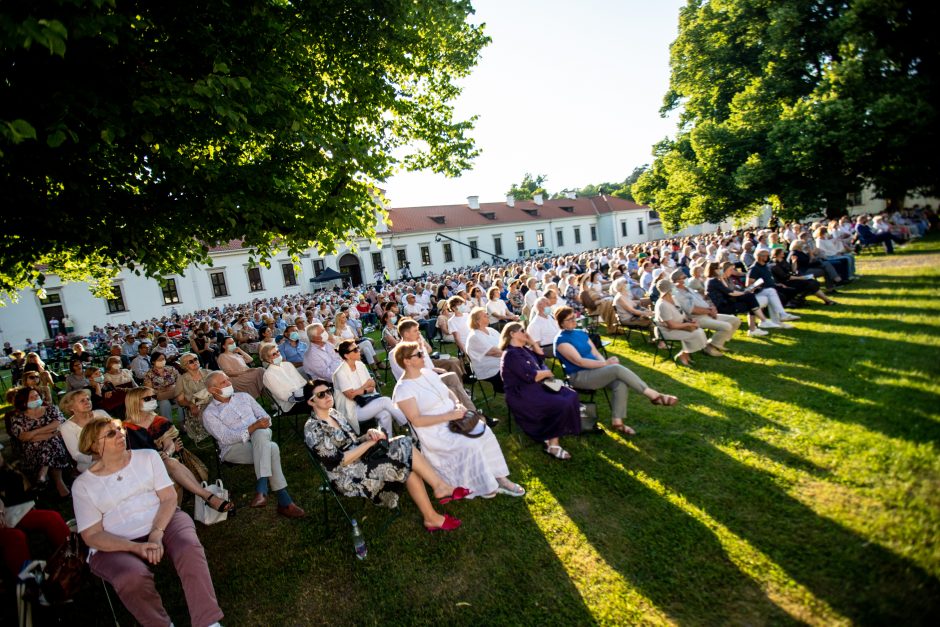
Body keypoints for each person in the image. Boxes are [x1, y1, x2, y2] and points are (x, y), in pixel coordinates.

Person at [72, 417, 225, 627]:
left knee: (188, 547)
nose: (120, 435)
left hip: (163, 519)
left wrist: (156, 532)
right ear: (94, 446)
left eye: (119, 430)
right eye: (111, 434)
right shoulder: (83, 485)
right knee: (130, 577)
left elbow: (169, 498)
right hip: (115, 542)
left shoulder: (147, 457)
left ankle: (207, 621)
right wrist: (135, 547)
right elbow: (92, 535)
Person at [304, 380, 463, 532]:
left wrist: (367, 436)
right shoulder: (313, 429)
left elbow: (352, 442)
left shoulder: (334, 413)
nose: (327, 396)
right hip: (346, 476)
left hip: (361, 459)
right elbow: (338, 461)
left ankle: (433, 511)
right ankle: (437, 495)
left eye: (328, 392)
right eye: (321, 395)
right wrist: (368, 444)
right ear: (311, 402)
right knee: (406, 458)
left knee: (404, 448)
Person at [392, 341, 525, 499]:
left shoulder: (427, 373)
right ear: (407, 361)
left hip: (455, 418)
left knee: (485, 432)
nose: (423, 356)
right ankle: (485, 485)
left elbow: (447, 390)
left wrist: (458, 404)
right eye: (419, 354)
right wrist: (450, 416)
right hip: (435, 431)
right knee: (470, 443)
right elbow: (417, 421)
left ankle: (500, 478)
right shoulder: (403, 389)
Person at [553, 307, 678, 436]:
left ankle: (617, 422)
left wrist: (604, 365)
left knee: (620, 383)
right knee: (616, 369)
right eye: (570, 319)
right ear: (561, 323)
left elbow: (595, 353)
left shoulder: (580, 333)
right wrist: (606, 364)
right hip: (579, 376)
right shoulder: (561, 341)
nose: (575, 320)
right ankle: (654, 395)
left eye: (575, 317)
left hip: (595, 371)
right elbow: (580, 362)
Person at [201, 371, 305, 518]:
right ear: (212, 390)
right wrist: (252, 428)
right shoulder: (209, 413)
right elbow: (225, 438)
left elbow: (265, 416)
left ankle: (262, 489)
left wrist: (259, 426)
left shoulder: (244, 397)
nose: (229, 383)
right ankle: (284, 502)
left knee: (261, 434)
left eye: (228, 380)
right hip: (233, 448)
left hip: (261, 437)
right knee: (272, 448)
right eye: (223, 382)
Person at [123, 387, 234, 514]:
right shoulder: (124, 429)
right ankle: (207, 497)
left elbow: (169, 444)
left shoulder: (159, 421)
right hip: (139, 468)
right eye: (147, 399)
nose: (153, 401)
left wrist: (167, 453)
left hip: (165, 461)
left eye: (154, 397)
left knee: (169, 463)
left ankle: (204, 498)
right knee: (168, 465)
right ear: (134, 402)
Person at [499, 323, 580, 460]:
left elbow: (540, 356)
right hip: (521, 393)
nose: (526, 333)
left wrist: (531, 342)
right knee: (561, 403)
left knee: (571, 394)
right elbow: (531, 376)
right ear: (512, 334)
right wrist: (546, 372)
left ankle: (553, 431)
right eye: (523, 331)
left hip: (536, 386)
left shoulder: (523, 349)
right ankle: (552, 444)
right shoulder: (511, 355)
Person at [0, 456, 71, 578]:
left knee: (51, 518)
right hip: (6, 521)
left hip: (9, 512)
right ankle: (29, 587)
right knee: (15, 537)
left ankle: (72, 561)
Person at [389, 319, 474, 408]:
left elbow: (429, 365)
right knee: (451, 388)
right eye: (415, 331)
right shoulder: (395, 353)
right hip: (418, 385)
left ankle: (472, 413)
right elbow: (405, 374)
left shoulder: (418, 346)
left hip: (431, 377)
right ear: (406, 334)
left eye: (418, 330)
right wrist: (433, 373)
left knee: (452, 376)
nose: (419, 333)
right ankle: (467, 414)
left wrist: (436, 370)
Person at [333, 339, 407, 435]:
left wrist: (360, 390)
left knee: (385, 414)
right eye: (355, 350)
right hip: (352, 410)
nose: (359, 351)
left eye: (358, 348)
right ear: (346, 356)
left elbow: (372, 386)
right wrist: (365, 387)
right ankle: (408, 424)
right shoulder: (340, 373)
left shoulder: (360, 365)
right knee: (385, 401)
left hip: (367, 401)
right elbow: (350, 395)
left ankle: (388, 441)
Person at [8, 387, 72, 496]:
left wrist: (34, 432)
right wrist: (50, 433)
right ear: (24, 401)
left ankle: (42, 476)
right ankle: (59, 483)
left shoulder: (51, 409)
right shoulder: (17, 417)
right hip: (33, 449)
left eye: (36, 396)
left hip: (54, 443)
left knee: (50, 444)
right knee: (50, 444)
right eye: (31, 397)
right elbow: (23, 437)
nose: (35, 398)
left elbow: (58, 424)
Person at [653, 278, 720, 366]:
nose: (674, 289)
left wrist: (689, 320)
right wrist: (687, 325)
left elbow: (681, 313)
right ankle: (683, 355)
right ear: (668, 290)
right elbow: (671, 325)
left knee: (699, 331)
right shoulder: (662, 305)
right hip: (666, 331)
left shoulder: (673, 299)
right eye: (672, 288)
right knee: (696, 334)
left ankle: (686, 354)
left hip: (678, 325)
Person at [670, 269, 741, 352]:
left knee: (735, 320)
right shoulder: (678, 294)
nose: (686, 278)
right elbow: (692, 310)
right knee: (727, 326)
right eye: (684, 277)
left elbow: (704, 299)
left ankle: (719, 342)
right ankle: (710, 346)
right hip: (697, 318)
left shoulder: (689, 289)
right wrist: (710, 311)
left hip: (708, 314)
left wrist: (713, 308)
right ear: (678, 281)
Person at [705, 261, 776, 337]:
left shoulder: (717, 280)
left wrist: (746, 291)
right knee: (750, 301)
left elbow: (730, 291)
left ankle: (758, 325)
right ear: (715, 270)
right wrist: (745, 293)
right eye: (719, 268)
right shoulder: (713, 281)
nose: (721, 270)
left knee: (750, 300)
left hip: (726, 303)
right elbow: (730, 292)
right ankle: (759, 324)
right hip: (722, 307)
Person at [59, 389, 110, 473]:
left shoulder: (101, 413)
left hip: (112, 451)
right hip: (90, 463)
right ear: (71, 407)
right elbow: (76, 454)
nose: (87, 402)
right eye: (82, 401)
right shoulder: (66, 427)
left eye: (88, 399)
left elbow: (117, 430)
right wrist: (99, 456)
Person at [261, 343, 313, 413]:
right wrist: (302, 397)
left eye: (278, 351)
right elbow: (282, 395)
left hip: (303, 395)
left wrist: (307, 392)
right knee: (319, 402)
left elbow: (302, 381)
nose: (278, 354)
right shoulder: (268, 375)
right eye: (274, 354)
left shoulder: (288, 364)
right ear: (268, 359)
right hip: (289, 404)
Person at [465, 307, 504, 393]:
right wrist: (510, 353)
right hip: (488, 369)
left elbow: (503, 344)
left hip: (499, 362)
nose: (487, 315)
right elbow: (494, 352)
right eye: (484, 315)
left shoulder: (491, 330)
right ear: (477, 321)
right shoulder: (475, 336)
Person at [142, 351, 179, 421]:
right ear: (153, 361)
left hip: (174, 392)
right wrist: (164, 390)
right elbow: (149, 390)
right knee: (164, 403)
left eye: (163, 359)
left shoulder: (171, 369)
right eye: (160, 359)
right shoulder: (149, 374)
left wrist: (173, 387)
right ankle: (168, 424)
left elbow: (179, 381)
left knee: (180, 398)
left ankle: (182, 422)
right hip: (160, 396)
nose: (162, 361)